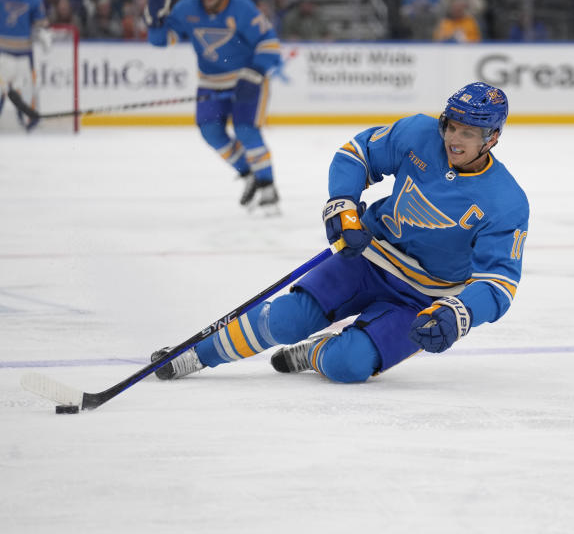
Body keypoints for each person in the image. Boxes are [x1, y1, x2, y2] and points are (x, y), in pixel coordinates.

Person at [150, 82, 529, 384]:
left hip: (423, 297)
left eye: (468, 132)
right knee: (286, 319)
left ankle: (314, 354)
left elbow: (499, 283)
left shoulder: (505, 201)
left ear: (492, 138)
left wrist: (459, 311)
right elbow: (357, 152)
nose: (453, 138)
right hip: (368, 255)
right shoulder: (418, 132)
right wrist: (343, 204)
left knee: (349, 364)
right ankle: (197, 353)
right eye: (451, 125)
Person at [144, 0, 282, 211]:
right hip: (210, 83)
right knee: (210, 132)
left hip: (247, 79)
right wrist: (155, 24)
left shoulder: (242, 8)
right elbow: (163, 40)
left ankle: (267, 187)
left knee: (246, 131)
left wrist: (255, 72)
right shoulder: (188, 8)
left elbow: (269, 41)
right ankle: (248, 174)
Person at [0, 0, 50, 131]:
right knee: (1, 88)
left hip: (24, 53)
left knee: (26, 89)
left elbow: (39, 22)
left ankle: (29, 121)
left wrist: (42, 34)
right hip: (2, 51)